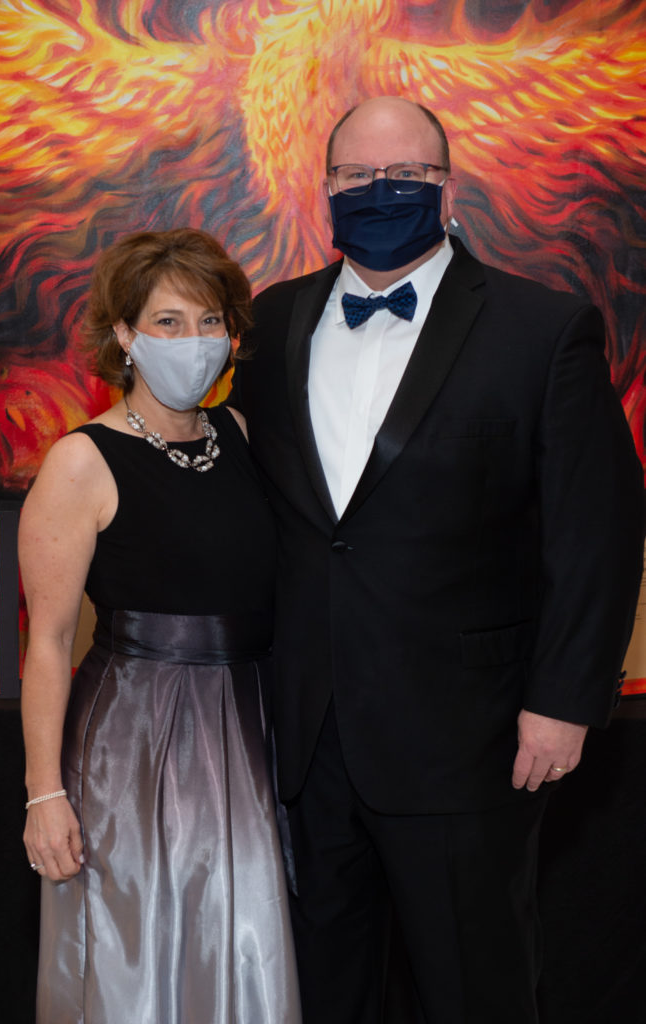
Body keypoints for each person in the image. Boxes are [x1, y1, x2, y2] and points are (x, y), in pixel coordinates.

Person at [230, 96, 644, 1023]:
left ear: (447, 186)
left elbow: (597, 533)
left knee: (475, 990)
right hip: (306, 740)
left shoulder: (543, 331)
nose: (382, 192)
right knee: (321, 991)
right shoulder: (269, 323)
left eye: (407, 176)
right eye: (358, 177)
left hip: (474, 740)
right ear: (325, 188)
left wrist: (566, 702)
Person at [20, 228, 301, 1024]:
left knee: (243, 946)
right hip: (136, 740)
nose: (194, 341)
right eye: (169, 322)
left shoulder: (239, 438)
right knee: (135, 957)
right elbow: (45, 643)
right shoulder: (82, 461)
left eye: (210, 322)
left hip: (251, 725)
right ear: (124, 335)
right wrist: (44, 793)